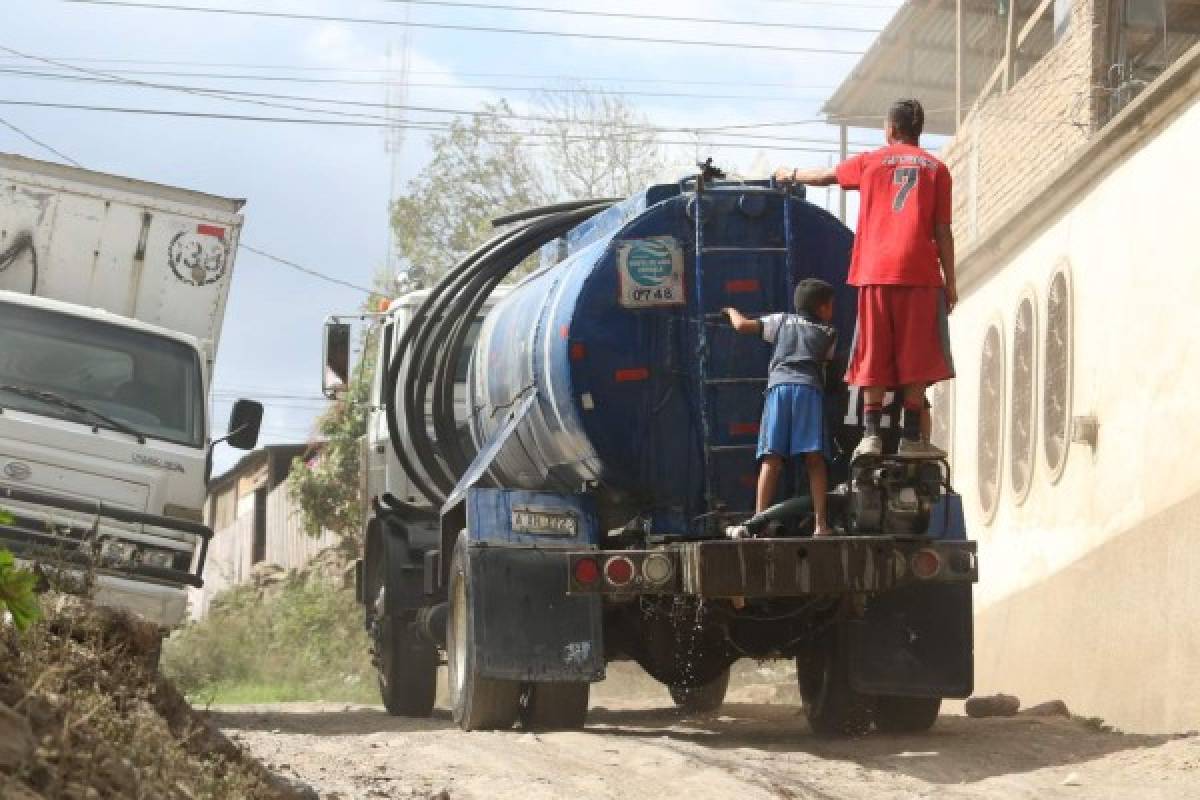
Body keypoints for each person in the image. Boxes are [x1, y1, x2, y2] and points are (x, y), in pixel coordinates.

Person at [775, 98, 956, 460]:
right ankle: (910, 437)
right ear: (918, 131)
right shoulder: (937, 169)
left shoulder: (871, 161)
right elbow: (943, 231)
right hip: (920, 272)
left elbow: (825, 177)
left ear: (890, 129)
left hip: (875, 271)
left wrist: (789, 174)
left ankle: (871, 436)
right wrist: (950, 282)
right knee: (916, 353)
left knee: (874, 350)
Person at [723, 279, 837, 537]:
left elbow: (742, 326)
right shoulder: (829, 332)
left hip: (779, 391)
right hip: (809, 391)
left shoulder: (782, 320)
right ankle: (821, 524)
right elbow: (827, 363)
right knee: (815, 462)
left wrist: (729, 310)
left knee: (771, 459)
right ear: (822, 309)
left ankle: (757, 523)